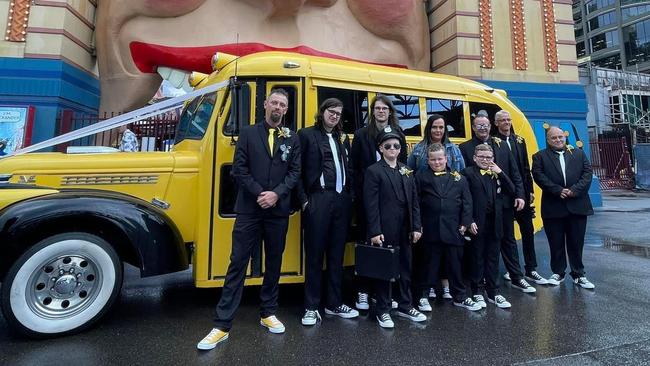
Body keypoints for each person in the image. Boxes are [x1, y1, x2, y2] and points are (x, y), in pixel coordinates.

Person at [197, 88, 301, 350]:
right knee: (237, 263)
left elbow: (294, 172)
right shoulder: (247, 133)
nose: (277, 108)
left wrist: (276, 195)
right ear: (265, 105)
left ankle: (268, 312)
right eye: (274, 103)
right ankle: (222, 325)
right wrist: (260, 194)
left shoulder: (292, 138)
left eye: (282, 105)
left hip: (277, 211)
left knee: (274, 262)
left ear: (286, 110)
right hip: (250, 210)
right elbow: (239, 170)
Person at [297, 98, 358, 325]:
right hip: (318, 199)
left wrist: (349, 197)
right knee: (314, 255)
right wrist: (304, 201)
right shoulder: (306, 135)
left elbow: (349, 168)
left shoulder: (343, 138)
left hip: (340, 200)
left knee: (336, 255)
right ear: (322, 112)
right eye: (331, 112)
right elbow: (298, 170)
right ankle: (311, 307)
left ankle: (334, 303)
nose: (334, 116)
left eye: (338, 114)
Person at [459, 112, 536, 294]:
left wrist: (520, 194)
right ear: (473, 127)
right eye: (479, 125)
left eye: (485, 125)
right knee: (479, 245)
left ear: (490, 126)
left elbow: (515, 172)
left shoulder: (501, 145)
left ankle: (517, 277)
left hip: (504, 203)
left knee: (508, 240)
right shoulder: (465, 148)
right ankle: (481, 282)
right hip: (480, 206)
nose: (483, 128)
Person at [364, 129, 425, 328]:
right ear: (381, 148)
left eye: (396, 146)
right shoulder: (374, 171)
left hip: (405, 227)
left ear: (400, 149)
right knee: (384, 269)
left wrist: (416, 226)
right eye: (388, 146)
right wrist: (374, 230)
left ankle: (406, 306)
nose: (392, 149)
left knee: (406, 267)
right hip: (384, 228)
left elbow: (414, 200)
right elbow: (370, 204)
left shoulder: (406, 170)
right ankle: (383, 309)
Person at [351, 94, 406, 310]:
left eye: (385, 108)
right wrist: (357, 197)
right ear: (372, 112)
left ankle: (381, 292)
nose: (381, 111)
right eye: (377, 108)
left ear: (390, 111)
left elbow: (403, 167)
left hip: (392, 199)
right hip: (369, 198)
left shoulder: (398, 134)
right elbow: (354, 168)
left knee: (389, 245)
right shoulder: (361, 134)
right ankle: (363, 291)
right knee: (368, 244)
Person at [414, 143, 480, 312]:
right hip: (430, 229)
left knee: (455, 265)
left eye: (440, 159)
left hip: (454, 230)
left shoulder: (459, 178)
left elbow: (467, 202)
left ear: (447, 158)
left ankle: (460, 296)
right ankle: (423, 296)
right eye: (433, 160)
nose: (437, 162)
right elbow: (415, 203)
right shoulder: (420, 177)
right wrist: (417, 225)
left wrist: (465, 223)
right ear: (427, 161)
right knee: (429, 265)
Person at [407, 113, 465, 300]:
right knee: (429, 255)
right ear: (428, 129)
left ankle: (447, 286)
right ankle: (429, 288)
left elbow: (461, 177)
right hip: (427, 209)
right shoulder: (418, 149)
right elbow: (411, 174)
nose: (438, 130)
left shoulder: (454, 150)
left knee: (450, 255)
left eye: (441, 127)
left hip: (450, 210)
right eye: (434, 127)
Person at [532, 126, 595, 289]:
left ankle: (579, 274)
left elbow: (587, 174)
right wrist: (557, 190)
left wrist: (574, 191)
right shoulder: (539, 157)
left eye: (561, 137)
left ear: (565, 137)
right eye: (554, 138)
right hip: (554, 206)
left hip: (577, 205)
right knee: (556, 242)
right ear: (548, 140)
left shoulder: (579, 154)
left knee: (576, 242)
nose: (558, 140)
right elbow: (539, 176)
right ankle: (558, 273)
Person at [493, 110, 548, 285]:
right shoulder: (493, 142)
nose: (507, 122)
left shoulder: (519, 141)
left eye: (508, 120)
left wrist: (529, 190)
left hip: (522, 193)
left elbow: (525, 168)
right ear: (496, 123)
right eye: (503, 120)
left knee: (527, 232)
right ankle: (513, 270)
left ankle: (531, 268)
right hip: (504, 195)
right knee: (507, 235)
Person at [463, 144, 516, 309]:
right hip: (477, 223)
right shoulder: (468, 173)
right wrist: (468, 220)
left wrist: (500, 172)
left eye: (488, 157)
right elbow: (464, 199)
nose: (485, 160)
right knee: (477, 258)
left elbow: (512, 190)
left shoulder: (496, 173)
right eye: (482, 157)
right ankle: (477, 291)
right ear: (475, 158)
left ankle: (494, 292)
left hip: (495, 222)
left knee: (493, 258)